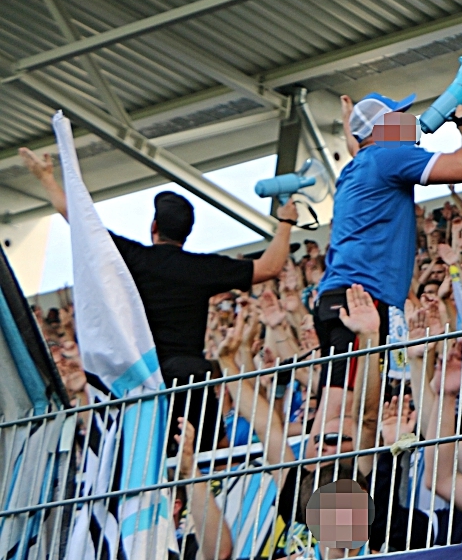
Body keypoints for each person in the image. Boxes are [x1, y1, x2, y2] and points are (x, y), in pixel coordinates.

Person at [19, 149, 295, 389]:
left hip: (145, 378)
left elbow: (80, 221)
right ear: (186, 234)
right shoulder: (201, 268)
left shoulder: (134, 257)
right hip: (191, 375)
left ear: (154, 227)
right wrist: (285, 223)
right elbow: (269, 267)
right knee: (211, 446)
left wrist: (46, 177)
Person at [314, 92, 462, 386]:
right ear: (382, 128)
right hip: (361, 299)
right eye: (398, 117)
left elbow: (359, 143)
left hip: (341, 294)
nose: (407, 122)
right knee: (342, 411)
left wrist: (348, 120)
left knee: (352, 400)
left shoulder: (361, 163)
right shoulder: (388, 156)